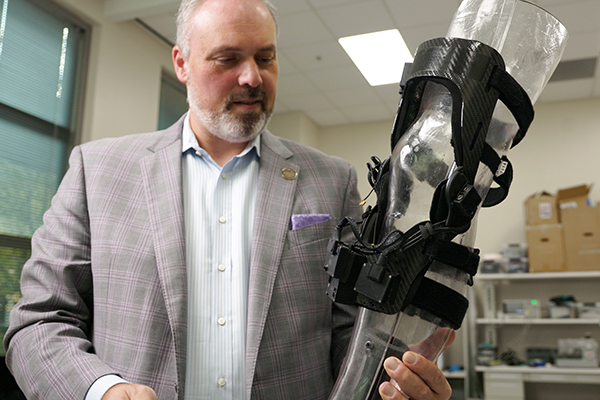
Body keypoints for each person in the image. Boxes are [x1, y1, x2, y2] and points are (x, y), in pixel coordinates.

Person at [3, 0, 453, 399]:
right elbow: (40, 322)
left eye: (265, 57)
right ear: (182, 63)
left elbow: (348, 332)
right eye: (228, 58)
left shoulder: (332, 179)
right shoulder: (96, 171)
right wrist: (101, 391)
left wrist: (392, 377)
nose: (252, 76)